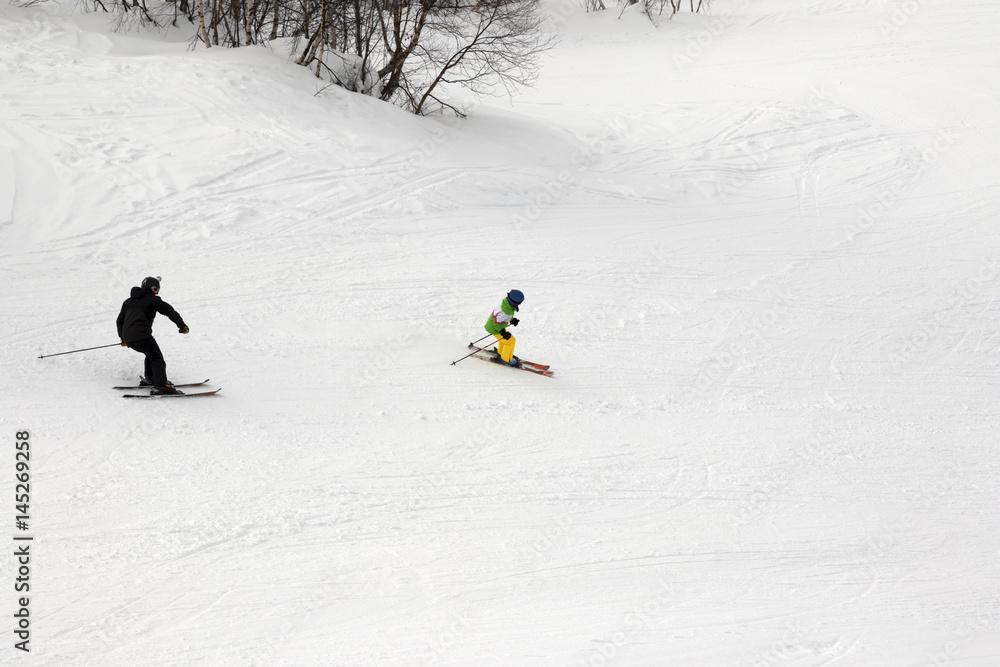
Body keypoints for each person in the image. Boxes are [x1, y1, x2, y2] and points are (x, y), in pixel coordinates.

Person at [116, 276, 189, 395]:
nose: (156, 292)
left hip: (129, 338)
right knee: (156, 357)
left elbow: (119, 321)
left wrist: (123, 338)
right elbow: (169, 311)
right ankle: (161, 386)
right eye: (155, 289)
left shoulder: (128, 302)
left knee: (150, 353)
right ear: (148, 288)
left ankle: (150, 378)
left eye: (157, 290)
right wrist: (182, 325)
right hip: (142, 335)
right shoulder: (152, 299)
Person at [484, 289, 524, 366]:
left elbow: (506, 316)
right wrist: (503, 332)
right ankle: (505, 359)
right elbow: (496, 323)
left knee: (505, 340)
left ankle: (501, 353)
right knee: (510, 341)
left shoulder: (507, 304)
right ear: (514, 302)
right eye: (520, 302)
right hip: (495, 328)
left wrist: (512, 320)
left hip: (497, 326)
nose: (520, 304)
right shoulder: (505, 311)